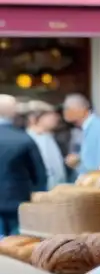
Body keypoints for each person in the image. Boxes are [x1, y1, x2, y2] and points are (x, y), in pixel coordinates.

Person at [0, 95, 47, 235]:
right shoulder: (24, 139)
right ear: (14, 113)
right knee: (18, 247)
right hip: (19, 203)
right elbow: (39, 175)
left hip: (16, 202)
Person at [62, 94, 100, 174]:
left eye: (67, 108)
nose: (64, 112)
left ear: (81, 109)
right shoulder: (88, 126)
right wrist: (77, 158)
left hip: (96, 181)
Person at [25, 101, 67, 190]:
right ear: (34, 118)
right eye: (50, 115)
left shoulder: (49, 136)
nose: (56, 118)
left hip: (57, 191)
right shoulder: (29, 140)